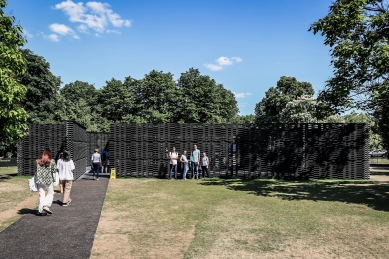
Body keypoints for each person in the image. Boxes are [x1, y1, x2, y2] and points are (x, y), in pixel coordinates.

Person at [35, 149, 57, 215]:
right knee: (50, 193)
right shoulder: (51, 161)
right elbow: (54, 170)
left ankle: (40, 210)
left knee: (42, 194)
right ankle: (45, 205)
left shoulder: (38, 161)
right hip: (48, 180)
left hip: (40, 180)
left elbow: (36, 171)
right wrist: (54, 180)